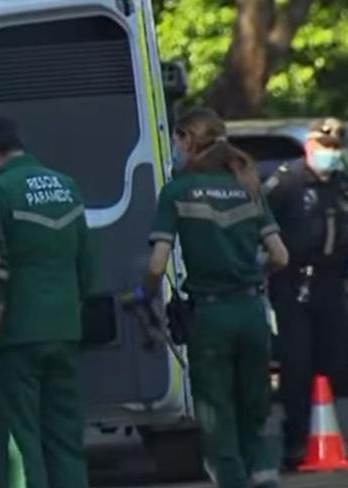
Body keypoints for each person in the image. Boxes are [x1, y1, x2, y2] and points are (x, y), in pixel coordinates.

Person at [139, 108, 289, 488]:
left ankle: (232, 479)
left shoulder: (177, 190)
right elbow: (280, 256)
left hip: (211, 317)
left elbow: (157, 265)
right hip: (252, 311)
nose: (174, 148)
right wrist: (252, 274)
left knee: (216, 412)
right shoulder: (247, 185)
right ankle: (264, 475)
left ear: (189, 139)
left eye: (176, 139)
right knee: (253, 406)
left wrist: (146, 296)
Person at [0, 114, 94, 488]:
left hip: (17, 334)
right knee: (66, 434)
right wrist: (69, 309)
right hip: (64, 328)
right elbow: (86, 263)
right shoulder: (66, 186)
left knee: (19, 439)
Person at [263, 117, 348, 469]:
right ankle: (296, 441)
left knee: (338, 361)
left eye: (336, 149)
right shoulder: (287, 182)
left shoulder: (342, 185)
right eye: (325, 148)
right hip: (294, 281)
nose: (331, 155)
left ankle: (336, 435)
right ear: (310, 147)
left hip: (332, 282)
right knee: (297, 364)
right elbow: (263, 225)